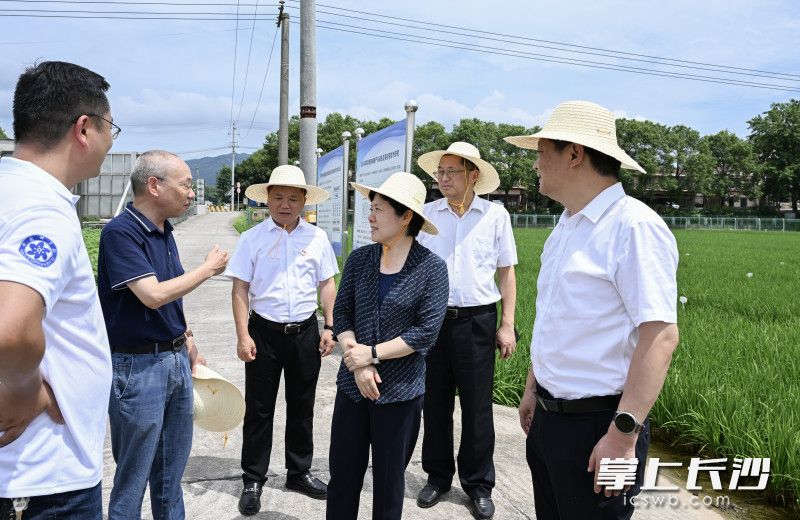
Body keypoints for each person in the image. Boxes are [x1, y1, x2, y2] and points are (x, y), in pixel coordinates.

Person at [505, 100, 680, 520]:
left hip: (606, 426)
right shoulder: (565, 227)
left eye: (541, 152)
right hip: (548, 423)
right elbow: (555, 320)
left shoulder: (634, 227)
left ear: (575, 153)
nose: (535, 165)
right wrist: (534, 387)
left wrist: (623, 435)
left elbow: (660, 336)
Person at [0, 61, 114, 519]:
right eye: (112, 129)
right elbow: (11, 328)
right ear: (83, 129)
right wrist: (26, 389)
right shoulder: (42, 209)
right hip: (42, 479)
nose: (110, 144)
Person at [98, 150, 229, 520]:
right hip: (138, 369)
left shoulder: (164, 231)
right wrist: (206, 270)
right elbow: (153, 295)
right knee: (133, 480)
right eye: (186, 184)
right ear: (154, 186)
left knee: (171, 478)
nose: (191, 193)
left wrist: (187, 339)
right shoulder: (120, 233)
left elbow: (171, 295)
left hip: (173, 361)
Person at [326, 171, 449, 520]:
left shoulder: (432, 269)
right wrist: (360, 362)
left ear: (405, 216)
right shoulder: (360, 259)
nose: (370, 216)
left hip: (400, 393)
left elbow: (425, 332)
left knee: (389, 483)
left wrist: (374, 353)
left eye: (379, 209)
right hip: (352, 386)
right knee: (343, 477)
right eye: (371, 208)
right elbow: (343, 312)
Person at [227, 165, 338, 516]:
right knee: (259, 409)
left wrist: (330, 325)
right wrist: (243, 334)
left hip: (305, 332)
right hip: (264, 333)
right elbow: (240, 288)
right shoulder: (251, 239)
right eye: (278, 197)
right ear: (268, 199)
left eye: (293, 198)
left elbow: (327, 284)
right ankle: (253, 478)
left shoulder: (316, 239)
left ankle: (298, 472)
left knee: (302, 406)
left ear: (304, 201)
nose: (285, 204)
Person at [415, 142, 518, 519]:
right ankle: (438, 476)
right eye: (439, 173)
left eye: (451, 172)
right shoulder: (426, 215)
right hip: (434, 321)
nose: (442, 179)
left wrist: (507, 324)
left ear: (473, 175)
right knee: (435, 403)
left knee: (477, 408)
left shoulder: (495, 216)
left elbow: (506, 271)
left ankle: (478, 485)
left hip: (477, 321)